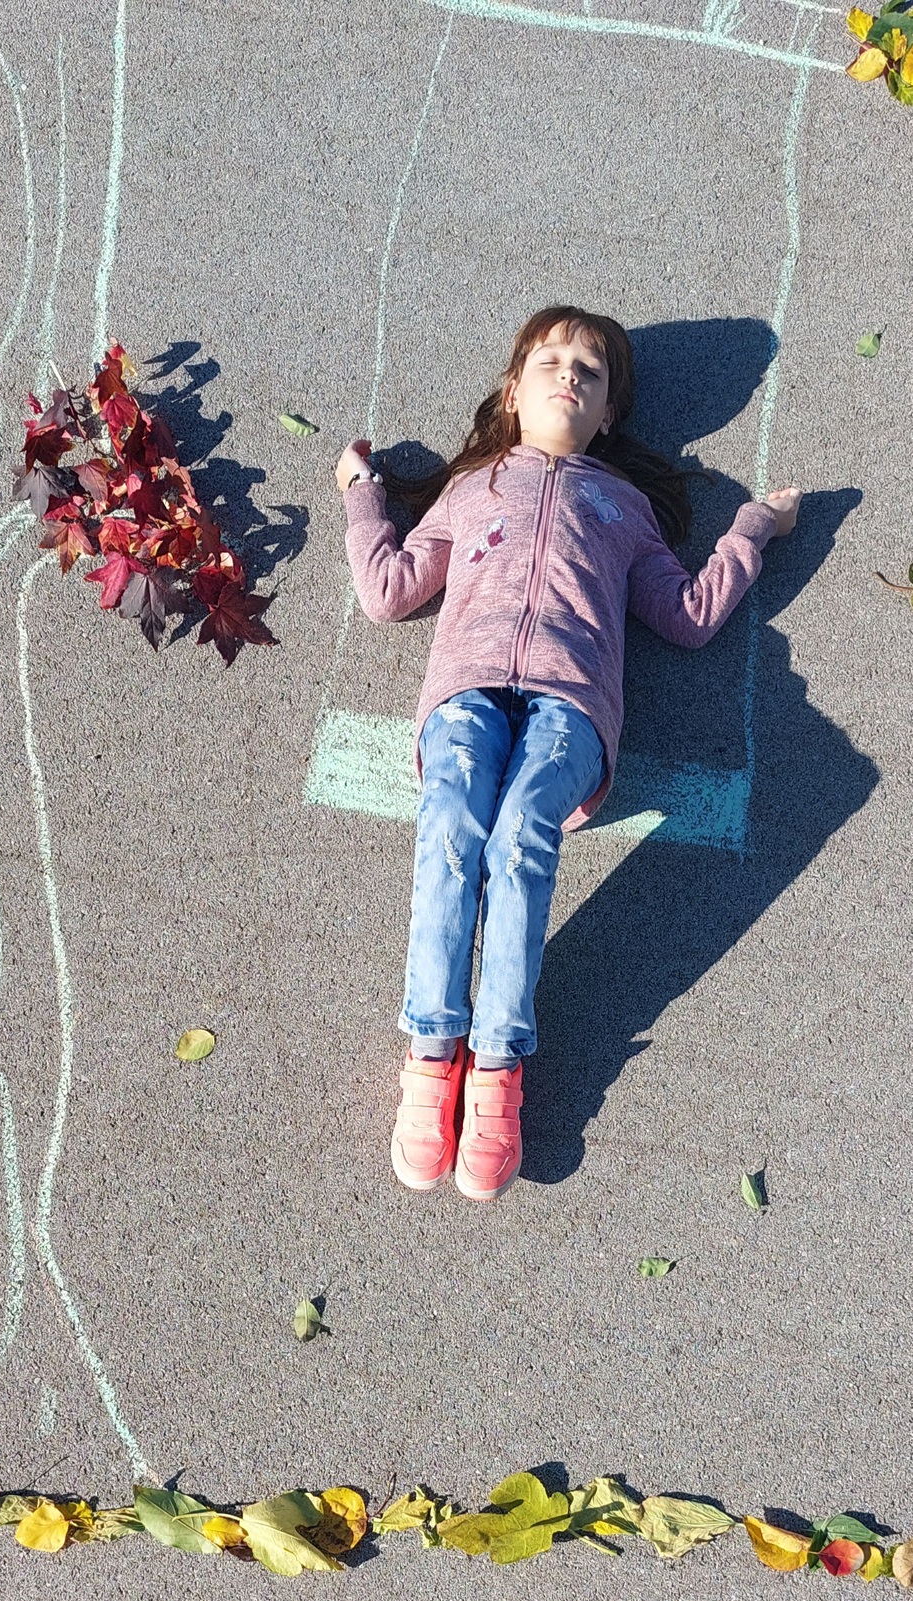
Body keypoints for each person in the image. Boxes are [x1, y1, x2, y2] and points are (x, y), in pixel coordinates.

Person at [335, 305, 800, 1202]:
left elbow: (689, 616)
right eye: (551, 361)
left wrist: (752, 529)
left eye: (591, 371)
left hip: (572, 711)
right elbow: (387, 591)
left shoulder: (624, 507)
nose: (570, 376)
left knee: (518, 836)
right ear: (513, 391)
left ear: (609, 415)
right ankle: (431, 1054)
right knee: (451, 821)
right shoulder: (470, 489)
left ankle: (497, 1065)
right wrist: (363, 492)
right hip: (466, 692)